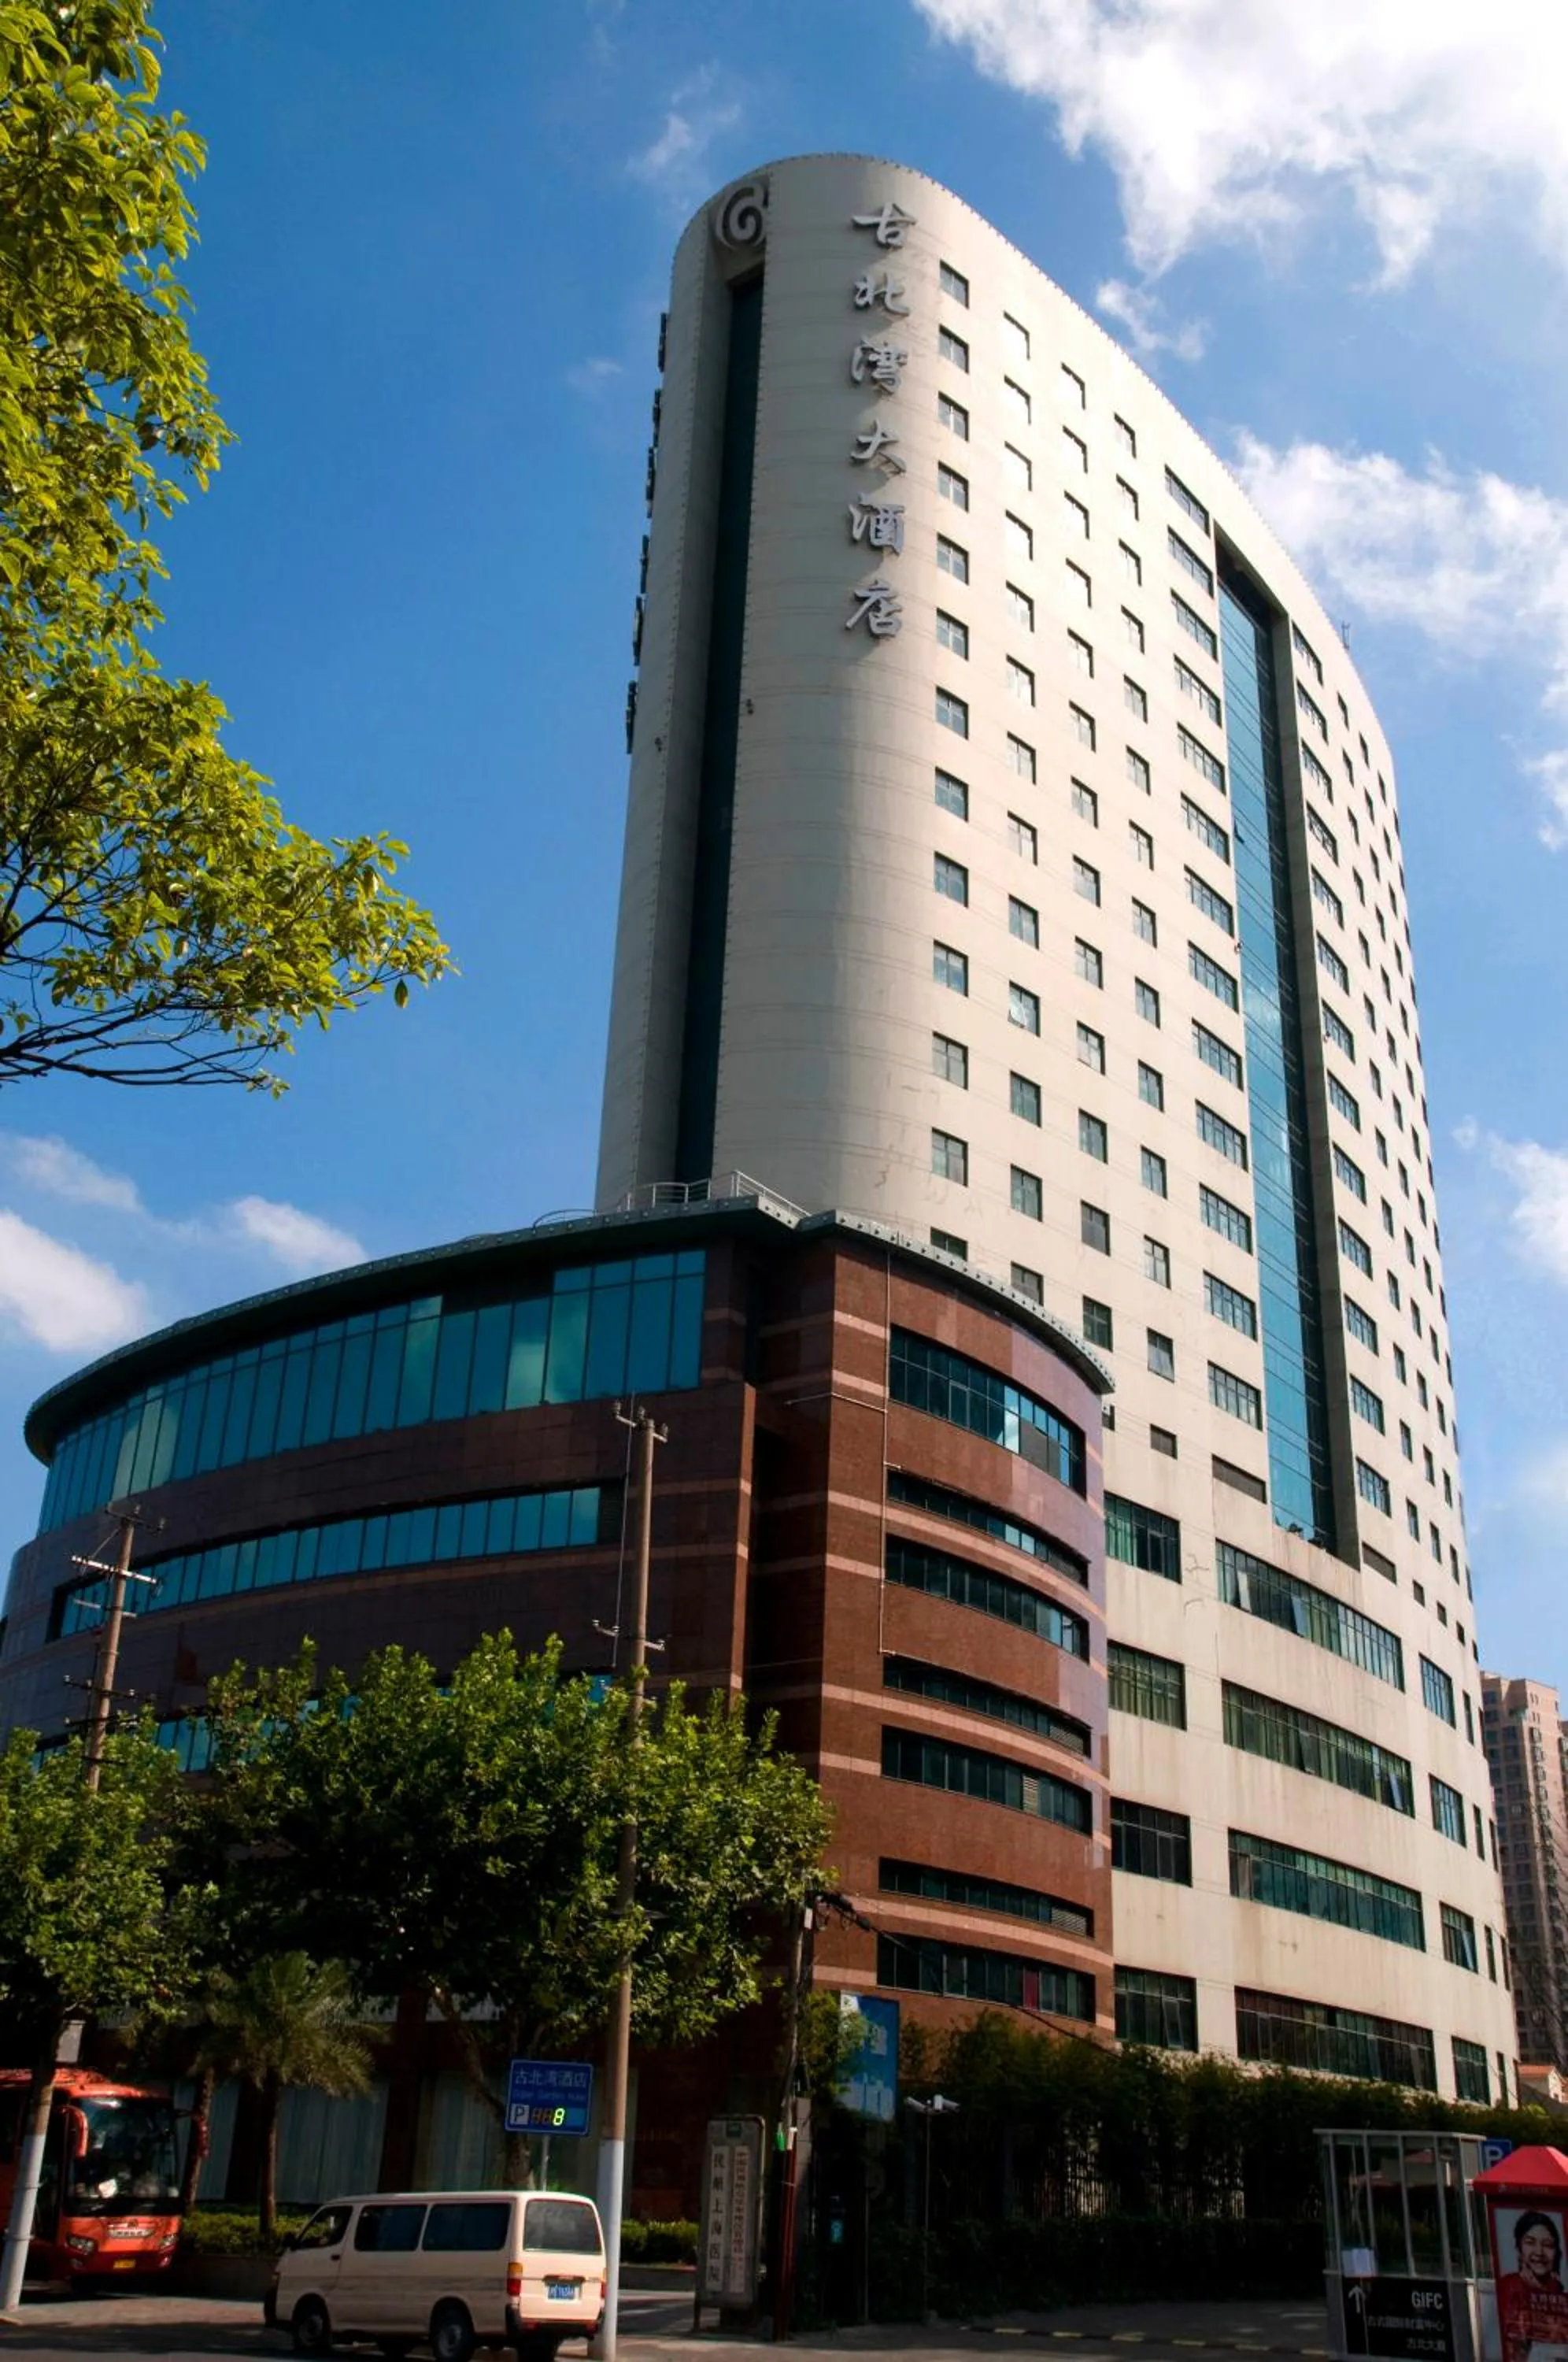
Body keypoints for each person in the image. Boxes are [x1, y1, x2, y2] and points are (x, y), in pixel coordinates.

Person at [1497, 2211, 1568, 2362]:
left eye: (1547, 2245)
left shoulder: (1562, 2295)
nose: (1539, 2252)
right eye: (1530, 2242)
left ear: (1556, 2252)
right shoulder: (1507, 2288)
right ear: (1519, 2249)